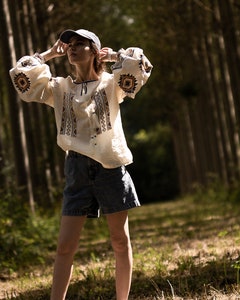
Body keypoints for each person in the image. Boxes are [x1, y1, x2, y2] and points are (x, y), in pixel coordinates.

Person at [9, 29, 152, 300]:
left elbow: (140, 65)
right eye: (70, 45)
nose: (72, 48)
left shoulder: (113, 84)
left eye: (80, 44)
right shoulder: (59, 89)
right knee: (65, 247)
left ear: (94, 51)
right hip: (76, 170)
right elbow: (22, 77)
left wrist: (114, 56)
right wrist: (49, 54)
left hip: (110, 167)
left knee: (120, 242)